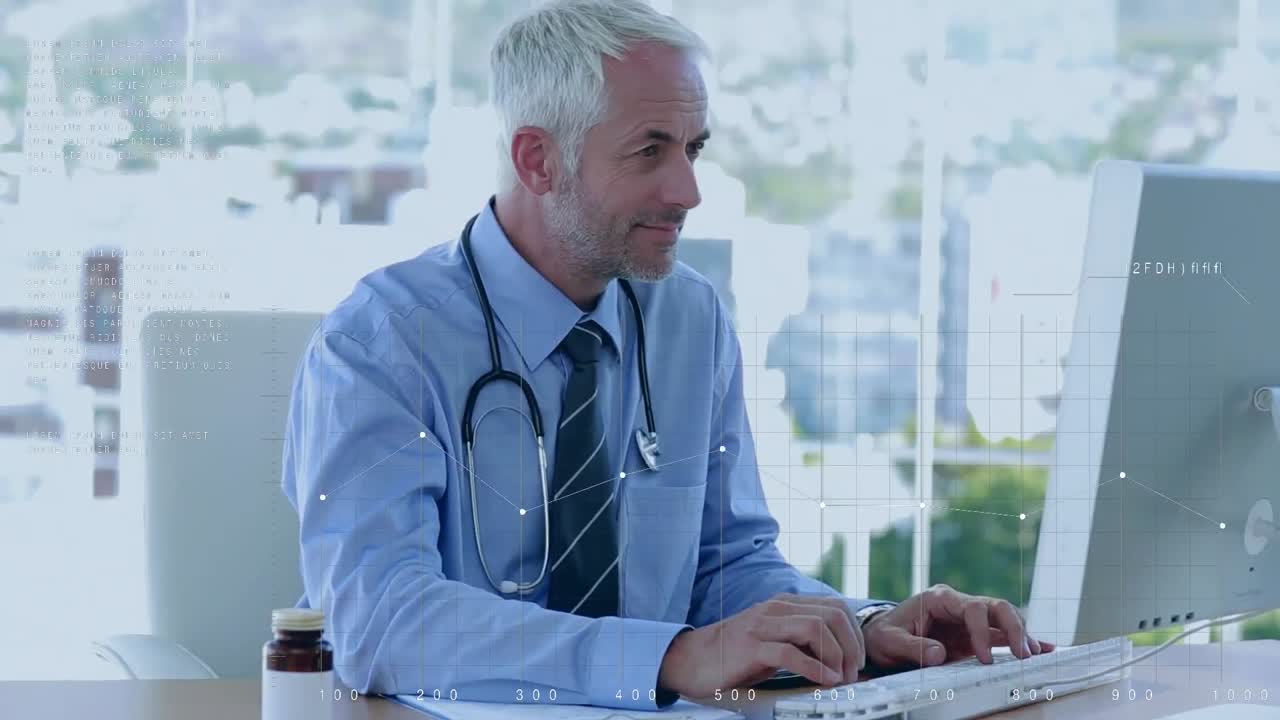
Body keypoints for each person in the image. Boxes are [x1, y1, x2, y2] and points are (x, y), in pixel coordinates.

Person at [281, 0, 1053, 711]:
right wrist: (667, 657)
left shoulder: (691, 319)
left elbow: (728, 566)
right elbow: (374, 620)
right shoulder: (380, 342)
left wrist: (867, 627)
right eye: (650, 151)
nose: (687, 190)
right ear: (537, 161)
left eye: (693, 148)